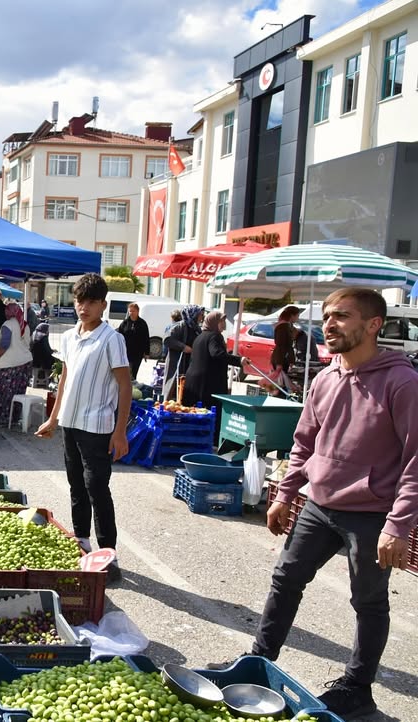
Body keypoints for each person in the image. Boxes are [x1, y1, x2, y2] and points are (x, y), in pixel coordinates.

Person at [209, 288, 418, 720]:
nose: (329, 324)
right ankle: (258, 660)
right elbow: (304, 443)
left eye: (341, 316)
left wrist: (398, 525)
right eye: (326, 317)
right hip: (319, 505)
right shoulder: (325, 378)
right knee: (286, 579)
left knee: (368, 602)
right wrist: (285, 493)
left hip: (372, 513)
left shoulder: (402, 382)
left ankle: (358, 689)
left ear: (373, 325)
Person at [36, 273, 130, 583]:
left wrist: (120, 432)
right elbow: (64, 379)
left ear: (103, 305)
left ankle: (109, 553)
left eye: (91, 302)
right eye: (79, 301)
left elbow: (125, 385)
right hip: (70, 424)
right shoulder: (68, 337)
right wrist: (53, 419)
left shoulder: (112, 339)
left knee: (97, 488)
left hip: (97, 426)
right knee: (76, 485)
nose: (83, 307)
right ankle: (82, 542)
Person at [182, 311, 244, 420]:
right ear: (214, 322)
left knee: (193, 415)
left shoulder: (200, 336)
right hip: (207, 384)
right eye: (221, 321)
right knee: (208, 417)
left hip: (194, 382)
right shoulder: (214, 336)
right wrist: (239, 361)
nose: (224, 324)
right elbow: (216, 353)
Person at [0, 303, 33, 426]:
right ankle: (14, 419)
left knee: (4, 393)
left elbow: (4, 344)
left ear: (10, 312)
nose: (5, 313)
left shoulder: (8, 325)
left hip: (9, 364)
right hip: (25, 363)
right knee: (19, 393)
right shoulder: (24, 325)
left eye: (6, 311)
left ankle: (3, 419)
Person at [163, 304, 204, 400]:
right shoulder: (179, 326)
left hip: (190, 364)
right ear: (193, 314)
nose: (202, 317)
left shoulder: (197, 329)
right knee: (173, 389)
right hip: (177, 363)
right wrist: (183, 347)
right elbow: (167, 339)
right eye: (200, 315)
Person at [117, 302, 151, 382]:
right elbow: (118, 336)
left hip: (138, 353)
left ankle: (132, 385)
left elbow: (146, 338)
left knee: (134, 372)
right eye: (130, 311)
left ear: (137, 311)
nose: (131, 313)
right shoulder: (124, 323)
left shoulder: (142, 323)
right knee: (126, 371)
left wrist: (147, 352)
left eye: (133, 311)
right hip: (126, 352)